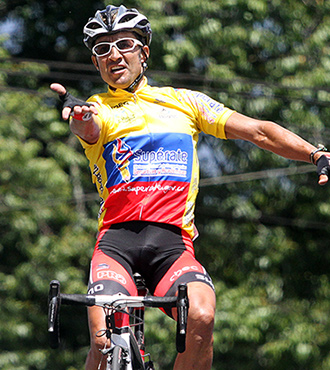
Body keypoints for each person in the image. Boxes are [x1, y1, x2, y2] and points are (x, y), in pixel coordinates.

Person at [50, 5, 330, 369]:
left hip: (172, 245)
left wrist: (315, 153)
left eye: (124, 44)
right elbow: (87, 128)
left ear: (144, 53)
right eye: (103, 49)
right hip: (117, 244)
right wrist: (80, 117)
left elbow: (259, 131)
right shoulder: (98, 109)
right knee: (104, 340)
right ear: (95, 61)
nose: (114, 55)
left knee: (201, 316)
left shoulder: (185, 102)